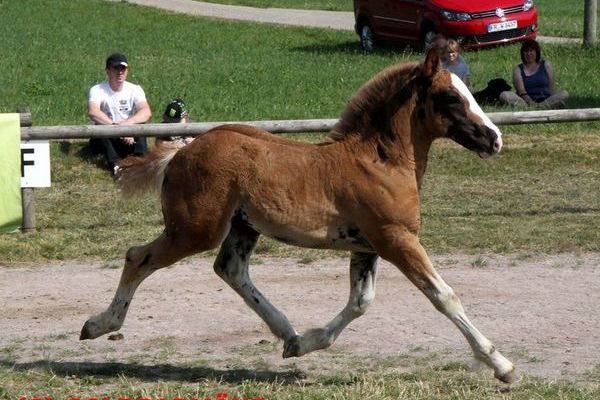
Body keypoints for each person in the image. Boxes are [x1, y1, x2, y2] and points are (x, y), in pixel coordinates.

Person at [88, 53, 152, 175]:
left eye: (123, 68)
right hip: (106, 137)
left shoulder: (135, 89)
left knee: (142, 124)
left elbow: (146, 111)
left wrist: (129, 125)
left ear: (127, 71)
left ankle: (141, 162)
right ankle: (116, 166)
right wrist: (116, 127)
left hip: (128, 135)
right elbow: (93, 112)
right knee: (100, 127)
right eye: (116, 68)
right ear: (107, 71)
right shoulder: (97, 89)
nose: (120, 72)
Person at [499, 39, 569, 108]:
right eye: (526, 51)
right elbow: (522, 92)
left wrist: (554, 99)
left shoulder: (546, 65)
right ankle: (535, 107)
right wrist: (531, 103)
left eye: (531, 51)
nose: (529, 54)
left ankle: (541, 106)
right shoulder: (517, 69)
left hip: (546, 99)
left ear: (536, 52)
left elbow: (552, 88)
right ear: (522, 53)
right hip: (525, 101)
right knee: (504, 95)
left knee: (564, 94)